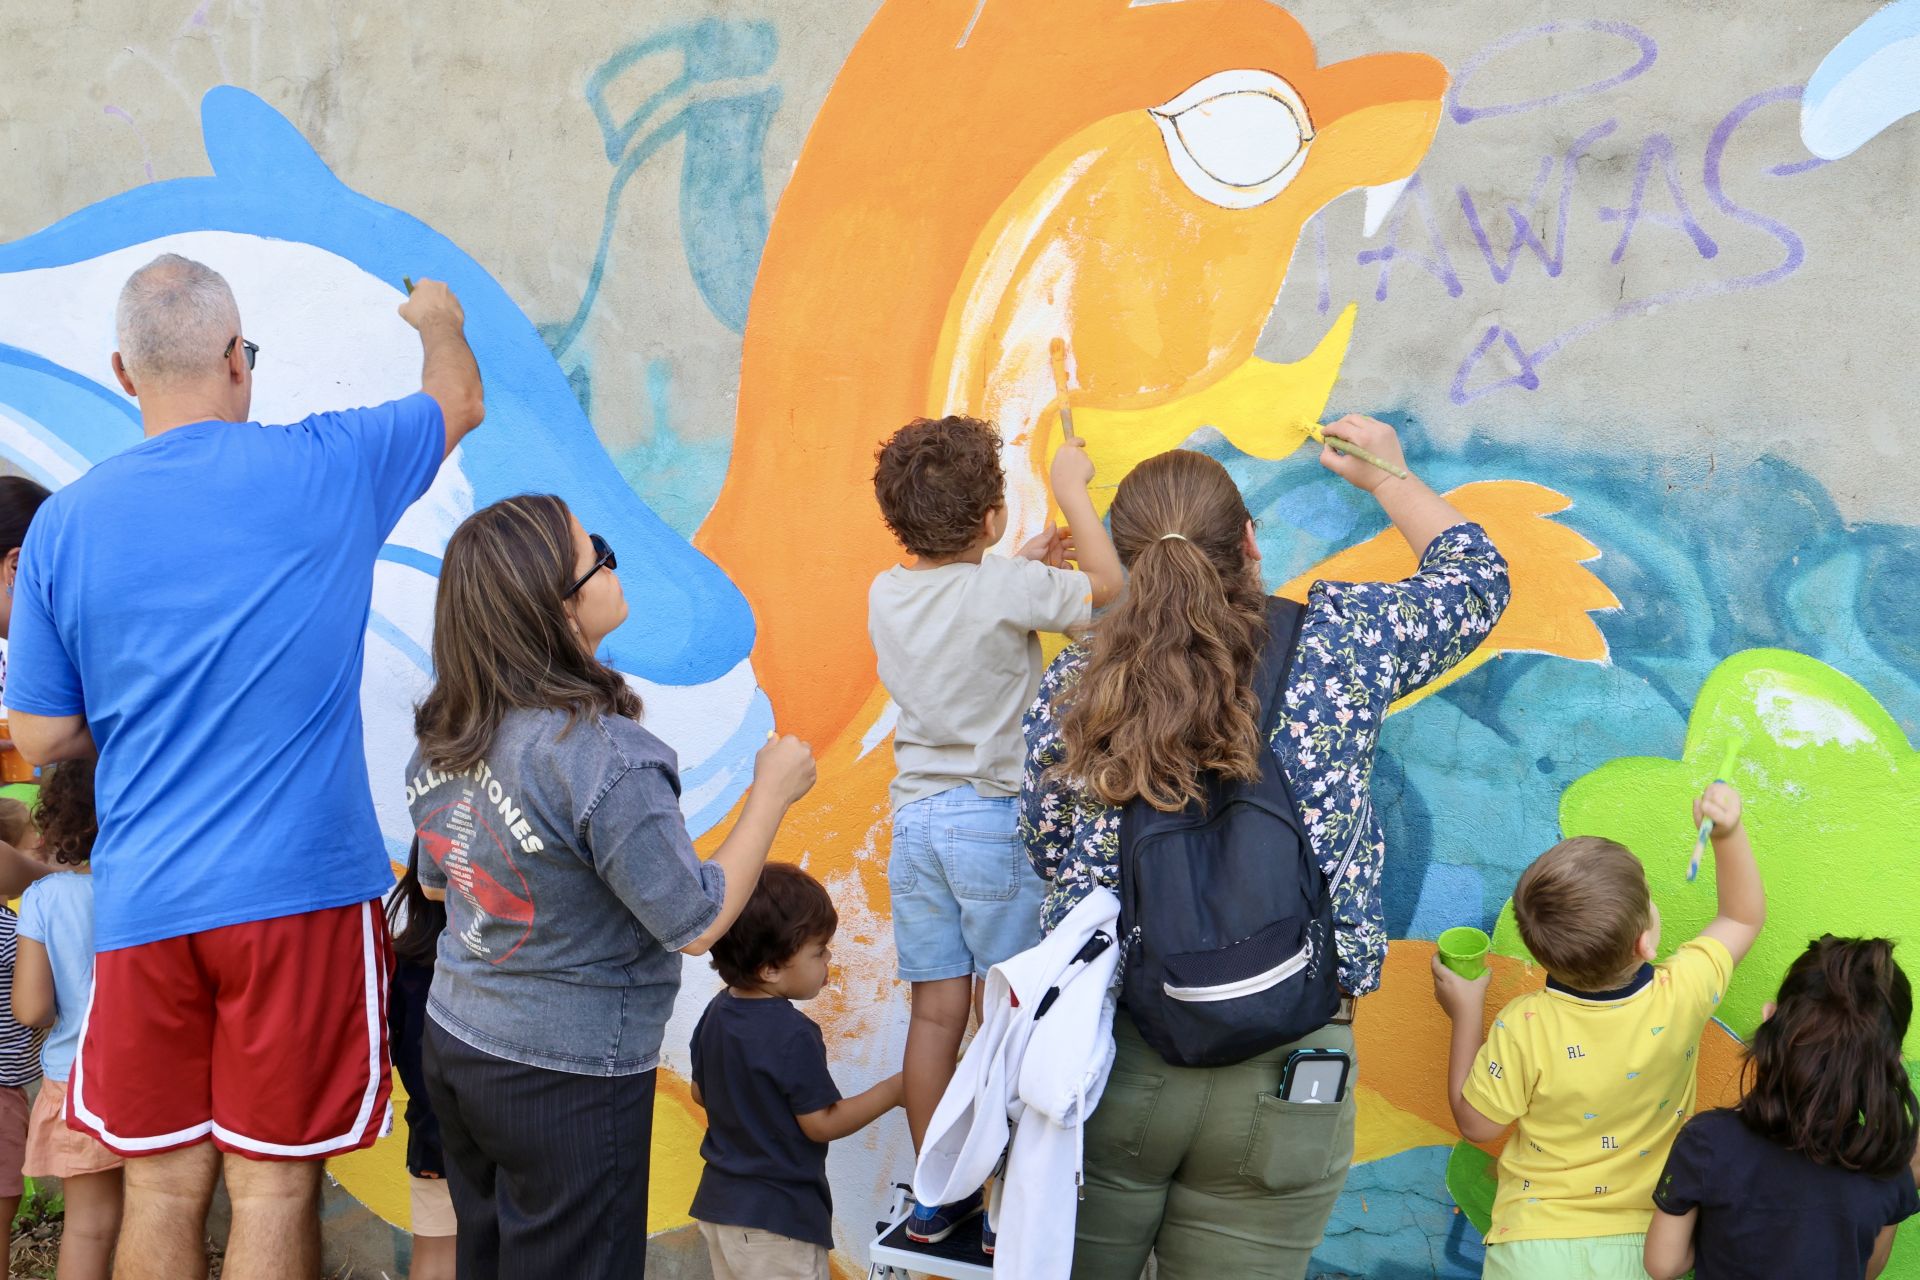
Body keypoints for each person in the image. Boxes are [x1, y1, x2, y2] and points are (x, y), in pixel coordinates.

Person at [3, 253, 484, 1279]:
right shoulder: (329, 461)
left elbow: (41, 736)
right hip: (299, 897)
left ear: (125, 376)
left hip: (144, 902)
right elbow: (458, 398)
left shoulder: (65, 525)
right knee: (271, 1184)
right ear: (236, 359)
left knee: (163, 1184)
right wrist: (436, 316)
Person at [1022, 417, 1510, 1279]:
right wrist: (1388, 477)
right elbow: (1476, 582)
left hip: (1117, 1063)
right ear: (1249, 541)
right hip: (1295, 1071)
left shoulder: (1076, 683)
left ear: (1130, 559)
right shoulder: (1338, 643)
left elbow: (1047, 849)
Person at [409, 493, 816, 1280]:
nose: (609, 555)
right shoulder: (604, 756)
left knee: (488, 1259)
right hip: (565, 1080)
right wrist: (770, 792)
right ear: (557, 609)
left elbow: (438, 886)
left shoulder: (448, 732)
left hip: (459, 1043)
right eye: (591, 549)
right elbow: (695, 919)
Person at [868, 414, 1122, 1245]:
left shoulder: (887, 592)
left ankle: (940, 1199)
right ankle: (1009, 1200)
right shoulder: (1004, 589)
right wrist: (1073, 492)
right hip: (991, 818)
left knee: (935, 1015)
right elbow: (1111, 591)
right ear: (989, 517)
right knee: (1012, 1012)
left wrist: (1016, 569)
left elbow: (962, 609)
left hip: (917, 824)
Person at [1432, 783, 1764, 1280]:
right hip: (1648, 1243)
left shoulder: (1525, 1024)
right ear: (1646, 940)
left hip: (1533, 1247)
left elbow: (1478, 1125)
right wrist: (1728, 833)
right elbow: (1742, 916)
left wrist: (1465, 1014)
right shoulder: (1684, 992)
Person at [1644, 935, 1920, 1280]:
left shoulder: (1707, 1140)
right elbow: (1865, 1269)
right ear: (1893, 1061)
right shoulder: (1888, 1169)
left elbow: (1664, 1265)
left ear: (1769, 1017)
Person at [689, 862, 904, 1279]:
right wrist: (896, 1089)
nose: (829, 960)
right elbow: (820, 1123)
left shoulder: (716, 1011)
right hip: (777, 1222)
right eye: (819, 950)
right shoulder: (793, 1033)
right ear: (770, 968)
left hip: (719, 1209)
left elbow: (701, 1092)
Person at [13, 760, 124, 1280]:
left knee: (89, 1227)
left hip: (77, 1082)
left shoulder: (43, 898)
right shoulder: (149, 888)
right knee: (161, 1210)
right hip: (159, 1079)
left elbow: (32, 1008)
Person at [386, 842, 455, 1280]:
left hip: (431, 1133)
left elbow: (392, 1053)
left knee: (433, 1254)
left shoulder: (403, 962)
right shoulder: (503, 966)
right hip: (504, 1136)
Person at [0, 797, 45, 1230]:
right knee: (2, 1203)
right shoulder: (15, 932)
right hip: (2, 1088)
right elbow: (36, 1009)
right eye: (32, 835)